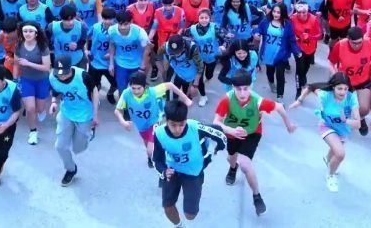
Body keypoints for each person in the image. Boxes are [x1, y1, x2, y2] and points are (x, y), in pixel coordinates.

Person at [213, 70, 297, 216]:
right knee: (231, 158)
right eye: (238, 89)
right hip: (232, 134)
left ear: (250, 87)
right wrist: (230, 131)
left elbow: (280, 107)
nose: (242, 92)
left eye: (245, 88)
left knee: (245, 164)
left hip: (252, 133)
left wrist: (288, 124)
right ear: (233, 88)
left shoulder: (257, 101)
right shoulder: (227, 99)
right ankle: (232, 169)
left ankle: (257, 196)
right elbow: (216, 122)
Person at [153, 99, 227, 228]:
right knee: (168, 206)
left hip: (193, 172)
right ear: (166, 121)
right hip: (172, 171)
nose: (177, 129)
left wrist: (214, 152)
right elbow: (157, 160)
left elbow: (220, 134)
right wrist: (164, 171)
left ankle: (204, 145)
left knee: (190, 215)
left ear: (186, 120)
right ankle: (179, 226)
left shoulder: (195, 127)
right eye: (173, 125)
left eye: (181, 124)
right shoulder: (159, 133)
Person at [289, 72, 361, 192]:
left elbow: (358, 124)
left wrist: (346, 120)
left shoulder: (351, 97)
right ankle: (330, 176)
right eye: (339, 88)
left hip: (343, 129)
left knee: (334, 152)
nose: (343, 92)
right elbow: (310, 87)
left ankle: (327, 160)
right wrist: (299, 100)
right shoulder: (325, 95)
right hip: (327, 126)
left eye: (345, 88)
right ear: (333, 88)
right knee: (340, 154)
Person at [115, 71, 193, 169]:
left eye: (139, 88)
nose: (136, 91)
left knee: (150, 149)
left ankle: (162, 160)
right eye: (133, 88)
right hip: (141, 126)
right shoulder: (126, 94)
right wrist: (123, 122)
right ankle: (150, 158)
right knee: (147, 144)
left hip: (154, 122)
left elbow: (170, 85)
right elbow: (118, 110)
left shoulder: (152, 92)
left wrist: (185, 99)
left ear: (145, 86)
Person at [49, 55, 99, 186]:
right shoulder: (53, 76)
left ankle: (88, 133)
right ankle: (71, 169)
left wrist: (95, 115)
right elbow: (55, 89)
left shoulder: (83, 76)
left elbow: (94, 91)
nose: (62, 77)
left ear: (70, 68)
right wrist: (54, 102)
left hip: (85, 114)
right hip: (66, 112)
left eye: (64, 74)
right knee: (60, 146)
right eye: (59, 74)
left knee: (78, 148)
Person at [327, 27, 371, 136]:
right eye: (354, 43)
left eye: (360, 42)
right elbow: (331, 62)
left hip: (363, 81)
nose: (357, 45)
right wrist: (335, 74)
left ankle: (361, 119)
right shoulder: (340, 45)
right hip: (346, 83)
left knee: (364, 109)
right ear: (348, 39)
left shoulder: (369, 42)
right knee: (342, 109)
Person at [13, 21, 52, 145]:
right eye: (25, 31)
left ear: (36, 33)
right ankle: (33, 132)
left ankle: (42, 110)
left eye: (30, 31)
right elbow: (16, 64)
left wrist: (28, 63)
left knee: (40, 108)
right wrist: (15, 79)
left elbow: (46, 67)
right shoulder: (19, 46)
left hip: (42, 80)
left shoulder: (42, 47)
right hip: (26, 80)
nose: (27, 34)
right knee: (30, 108)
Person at [254, 3, 298, 102]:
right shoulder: (266, 21)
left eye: (278, 12)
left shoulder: (287, 24)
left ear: (283, 13)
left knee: (280, 75)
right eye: (274, 11)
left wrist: (297, 51)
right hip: (268, 53)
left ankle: (280, 96)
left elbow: (292, 39)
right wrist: (256, 34)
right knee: (270, 72)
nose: (276, 14)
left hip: (281, 55)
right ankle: (271, 83)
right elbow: (258, 29)